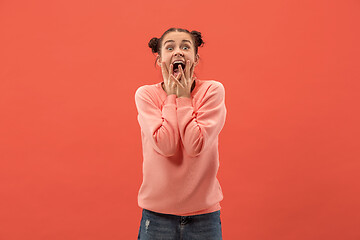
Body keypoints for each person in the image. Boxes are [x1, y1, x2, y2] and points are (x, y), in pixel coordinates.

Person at [135, 27, 227, 240]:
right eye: (170, 47)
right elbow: (166, 145)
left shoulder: (212, 91)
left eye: (186, 47)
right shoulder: (146, 95)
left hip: (204, 217)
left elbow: (195, 145)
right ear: (160, 60)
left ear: (195, 59)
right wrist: (171, 98)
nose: (178, 52)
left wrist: (184, 98)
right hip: (157, 217)